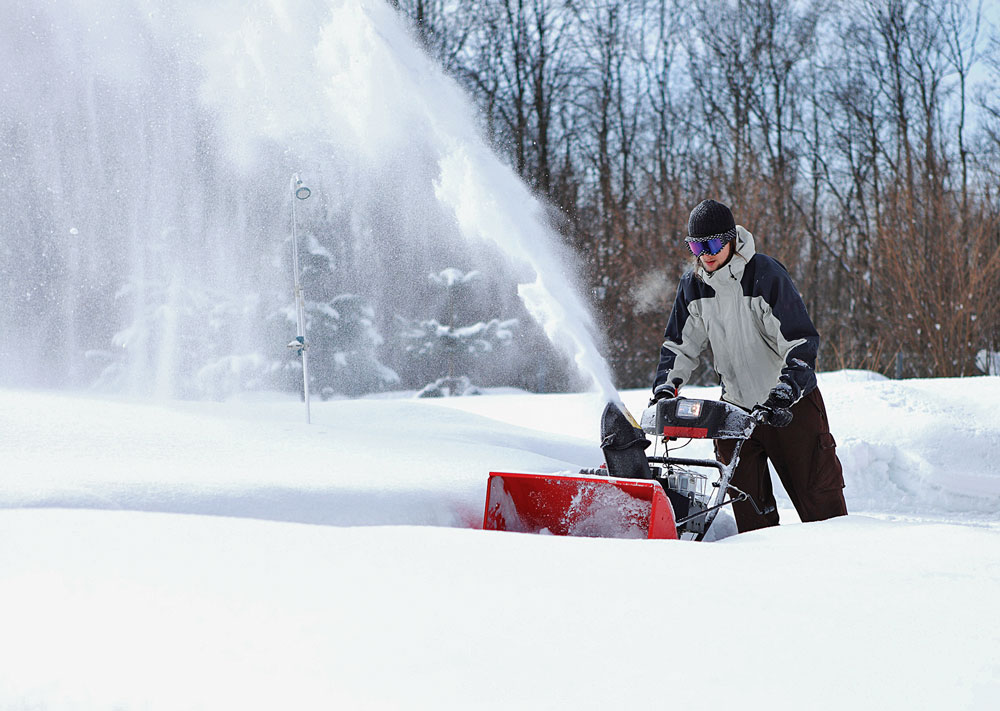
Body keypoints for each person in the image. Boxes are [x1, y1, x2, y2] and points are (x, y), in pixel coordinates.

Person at [651, 199, 847, 532]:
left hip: (789, 409)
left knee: (822, 512)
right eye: (696, 246)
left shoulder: (765, 275)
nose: (705, 254)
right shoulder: (693, 286)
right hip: (737, 415)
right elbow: (679, 346)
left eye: (712, 244)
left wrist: (787, 390)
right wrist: (666, 388)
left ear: (730, 239)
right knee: (752, 521)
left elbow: (800, 341)